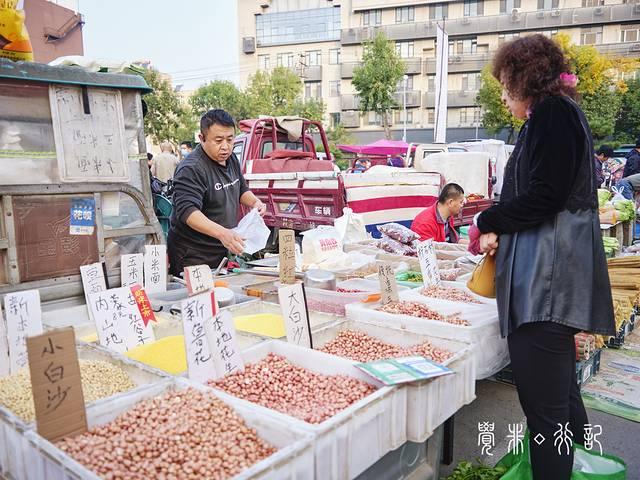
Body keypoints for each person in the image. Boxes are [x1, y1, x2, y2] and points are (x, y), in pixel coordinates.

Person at [474, 35, 615, 480]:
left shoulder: (552, 115)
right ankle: (583, 466)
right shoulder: (555, 115)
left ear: (523, 81)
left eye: (505, 86)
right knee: (560, 395)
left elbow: (545, 197)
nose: (502, 96)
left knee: (544, 414)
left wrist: (488, 220)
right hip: (548, 282)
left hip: (545, 286)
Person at [168, 109, 265, 276]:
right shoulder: (192, 168)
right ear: (202, 138)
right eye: (218, 140)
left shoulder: (230, 158)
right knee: (198, 299)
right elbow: (188, 212)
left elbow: (240, 188)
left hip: (220, 250)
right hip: (193, 253)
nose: (225, 146)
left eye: (230, 139)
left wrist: (255, 202)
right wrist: (223, 233)